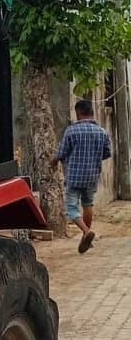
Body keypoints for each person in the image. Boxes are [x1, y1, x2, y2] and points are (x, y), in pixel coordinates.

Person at [55, 98, 112, 253]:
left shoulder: (71, 131)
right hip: (92, 175)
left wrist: (53, 162)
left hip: (74, 176)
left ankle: (86, 232)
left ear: (78, 113)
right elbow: (107, 153)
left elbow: (61, 153)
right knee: (88, 204)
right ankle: (85, 235)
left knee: (71, 208)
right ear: (92, 113)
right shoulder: (102, 132)